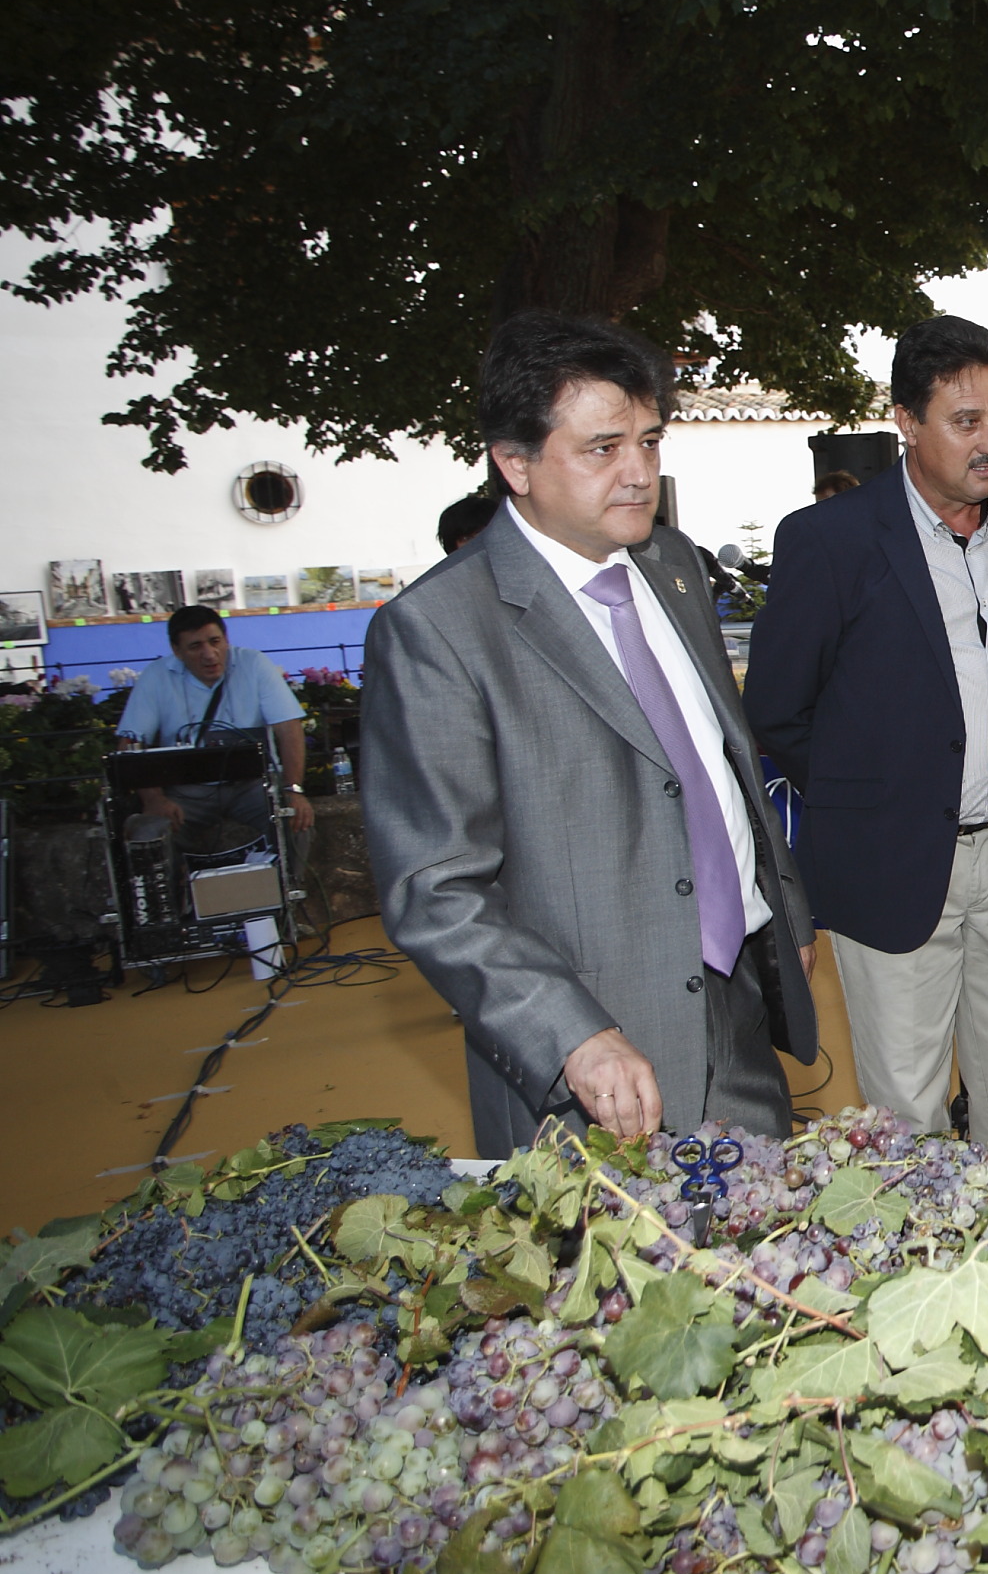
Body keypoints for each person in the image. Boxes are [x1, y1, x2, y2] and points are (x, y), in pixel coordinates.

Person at [362, 312, 818, 1158]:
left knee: (765, 1264)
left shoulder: (673, 565)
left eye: (649, 441)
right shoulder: (438, 628)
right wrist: (570, 1033)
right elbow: (436, 888)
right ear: (515, 463)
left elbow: (720, 760)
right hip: (595, 1059)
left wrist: (781, 907)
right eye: (603, 449)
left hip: (739, 1006)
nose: (640, 473)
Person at [746, 317, 988, 1149]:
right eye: (966, 422)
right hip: (889, 861)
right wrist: (876, 799)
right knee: (904, 1113)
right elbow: (778, 710)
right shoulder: (829, 541)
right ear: (905, 421)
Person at [116, 606, 315, 867]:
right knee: (150, 832)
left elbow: (289, 728)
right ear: (177, 651)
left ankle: (287, 897)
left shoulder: (253, 664)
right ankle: (176, 906)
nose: (209, 654)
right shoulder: (157, 676)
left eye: (215, 642)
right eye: (195, 646)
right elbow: (129, 743)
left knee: (296, 820)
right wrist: (154, 799)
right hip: (186, 792)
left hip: (253, 785)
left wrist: (293, 789)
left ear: (226, 639)